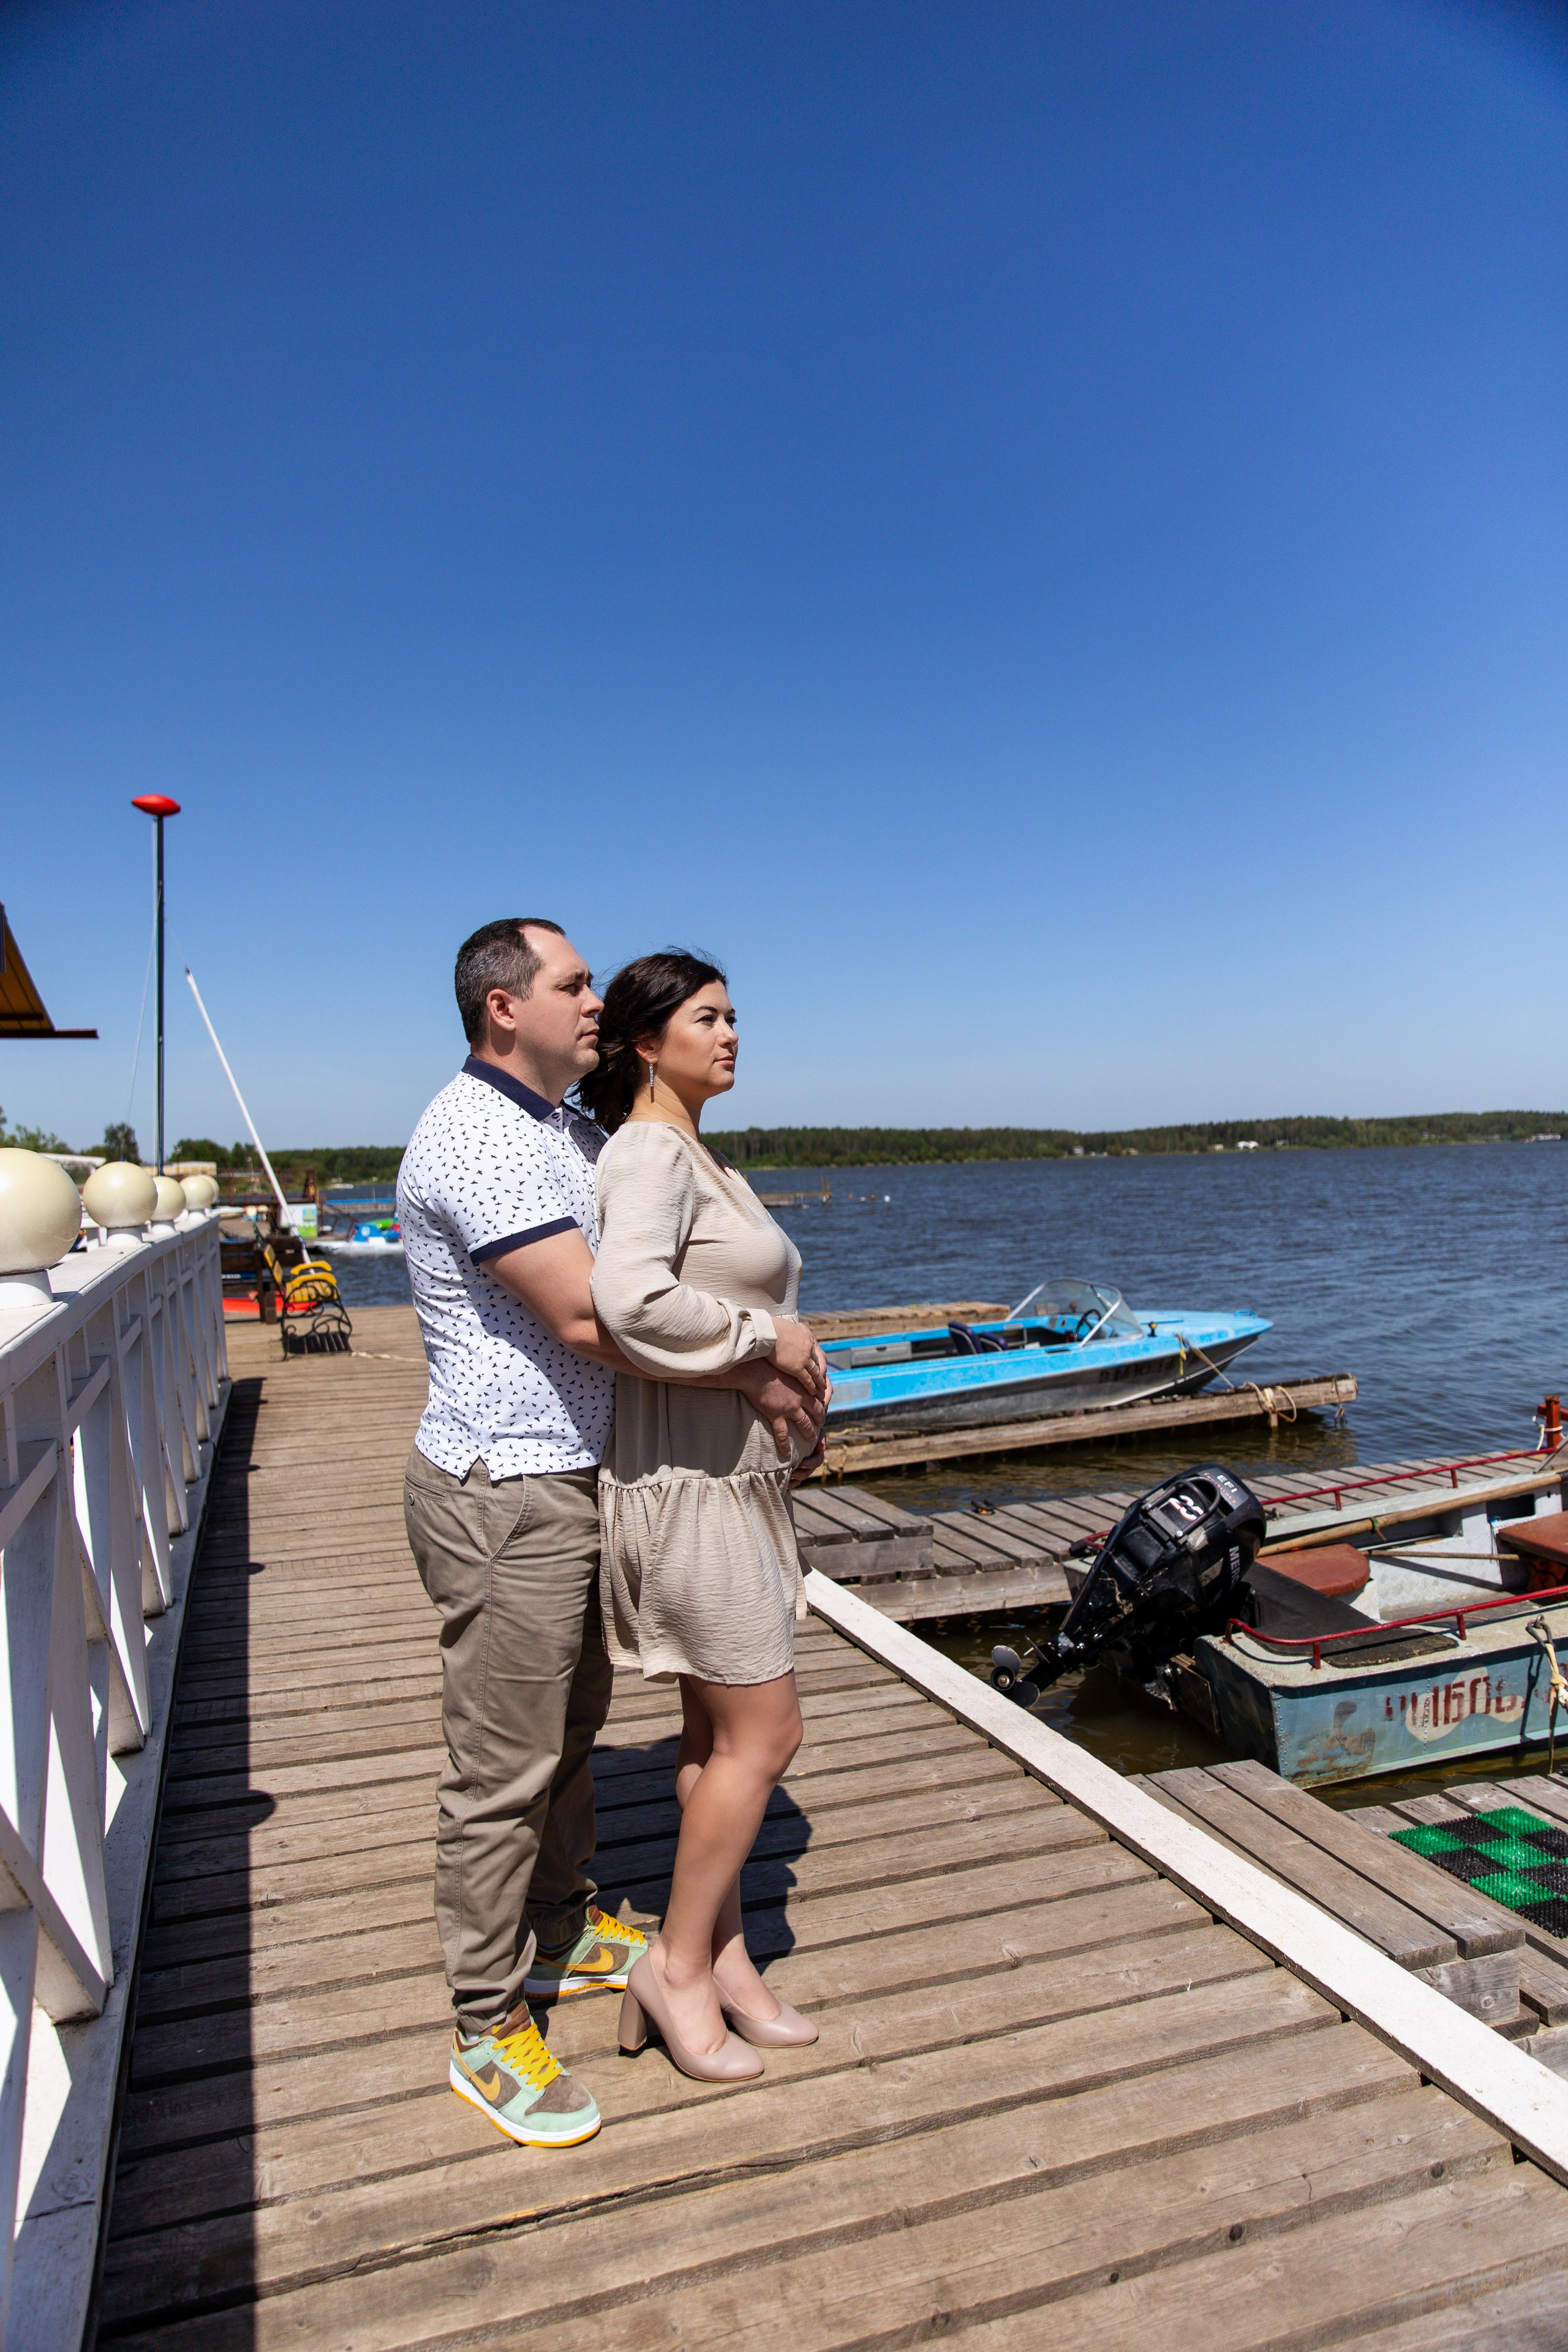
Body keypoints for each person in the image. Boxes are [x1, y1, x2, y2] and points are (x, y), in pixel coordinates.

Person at [398, 919, 827, 2148]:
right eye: (571, 985)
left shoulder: (561, 1129)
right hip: (505, 1486)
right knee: (501, 1771)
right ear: (501, 1008)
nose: (591, 1003)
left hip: (583, 1477)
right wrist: (767, 1358)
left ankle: (559, 1923)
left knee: (572, 1731)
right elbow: (596, 1321)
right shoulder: (474, 1135)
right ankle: (487, 2030)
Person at [580, 951, 825, 2082]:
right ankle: (674, 1968)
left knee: (713, 1738)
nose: (731, 1035)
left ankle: (724, 1959)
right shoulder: (646, 1152)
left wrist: (787, 1398)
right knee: (768, 1734)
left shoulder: (692, 1150)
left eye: (736, 1017)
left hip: (730, 1481)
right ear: (646, 1040)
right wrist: (764, 1347)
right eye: (707, 1018)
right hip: (688, 1493)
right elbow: (630, 1303)